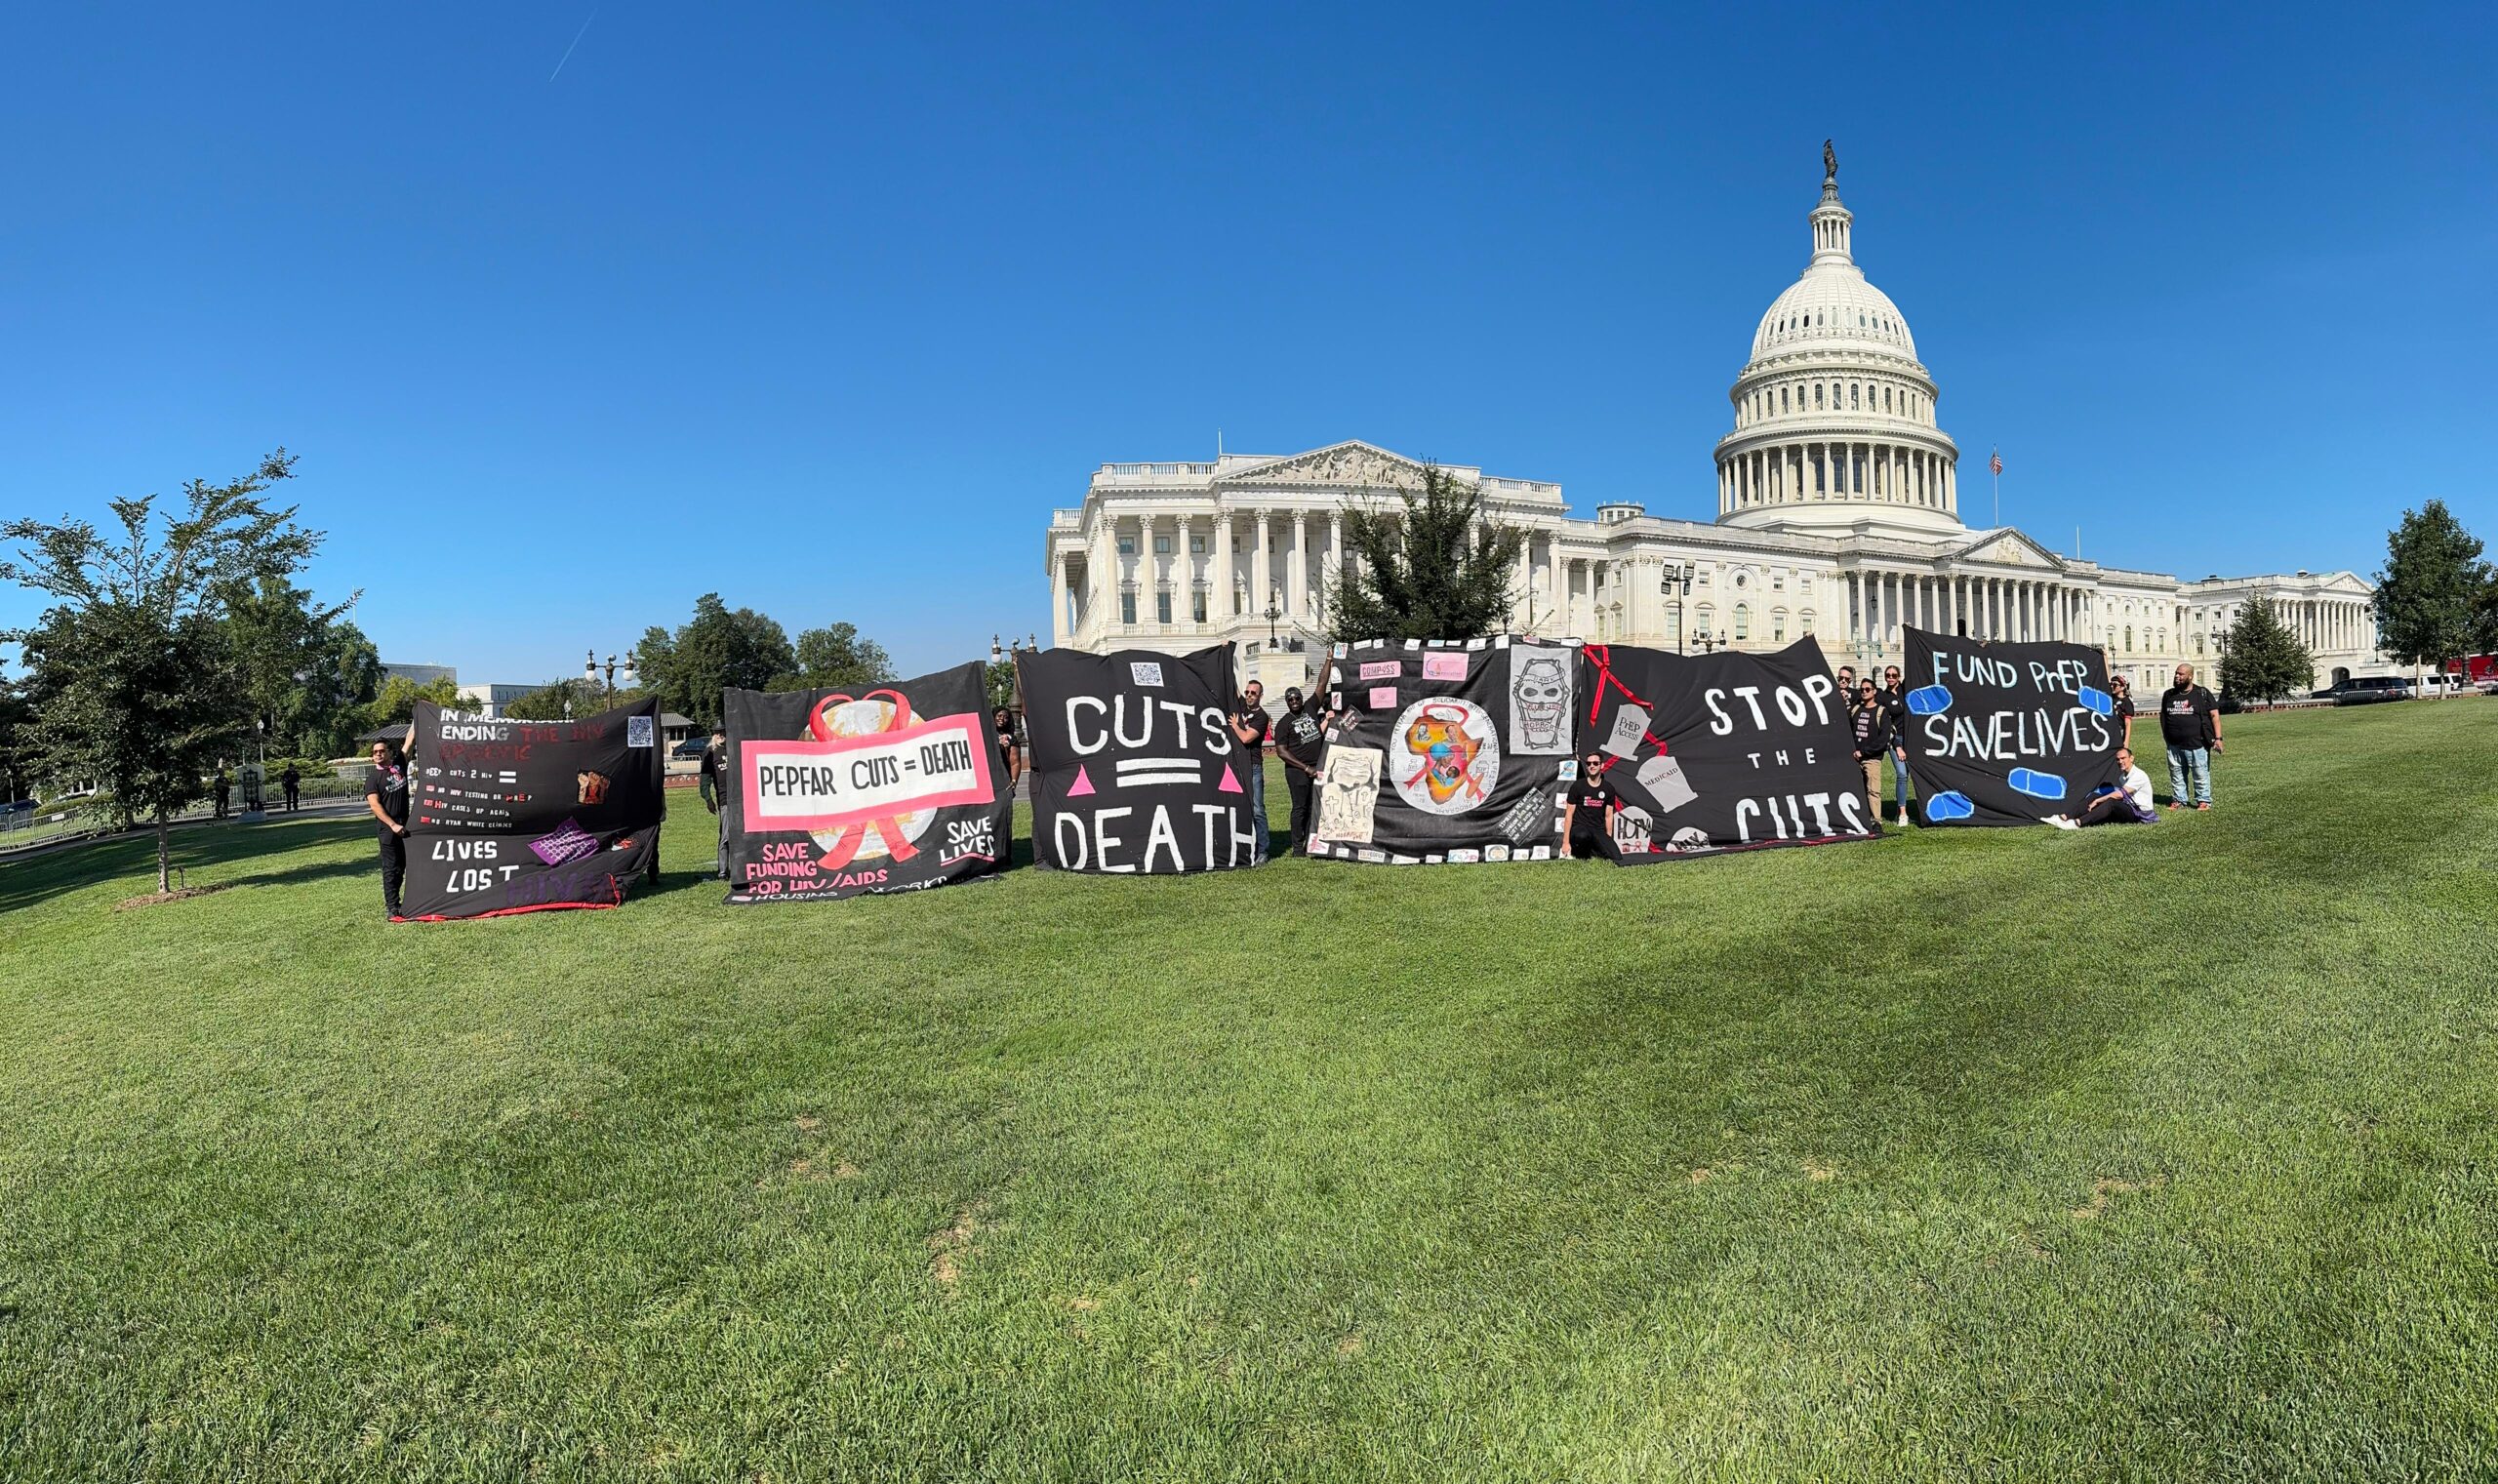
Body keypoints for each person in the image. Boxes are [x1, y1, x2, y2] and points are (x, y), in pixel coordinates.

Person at [2158, 663, 2223, 811]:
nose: (2177, 676)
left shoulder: (2202, 693)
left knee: (2200, 773)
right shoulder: (2169, 695)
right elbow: (2163, 716)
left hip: (2197, 743)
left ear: (2190, 676)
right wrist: (2166, 735)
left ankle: (2204, 801)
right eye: (2176, 673)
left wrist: (2218, 738)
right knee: (2176, 774)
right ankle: (2179, 799)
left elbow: (2214, 716)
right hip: (2174, 744)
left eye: (2181, 674)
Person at [1271, 688, 1326, 855]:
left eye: (1297, 698)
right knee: (1300, 808)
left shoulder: (1310, 708)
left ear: (1302, 699)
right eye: (1290, 699)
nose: (1294, 701)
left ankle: (1309, 843)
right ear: (1286, 702)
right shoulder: (1283, 723)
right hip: (1297, 771)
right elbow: (1281, 751)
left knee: (1312, 807)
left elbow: (1321, 684)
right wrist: (1305, 768)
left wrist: (1329, 660)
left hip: (1316, 768)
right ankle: (1297, 847)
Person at [2050, 746, 2158, 828]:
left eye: (2123, 758)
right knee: (2095, 795)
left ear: (2131, 758)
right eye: (2118, 759)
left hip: (2141, 814)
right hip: (2130, 808)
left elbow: (2119, 795)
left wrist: (2098, 801)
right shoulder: (2122, 777)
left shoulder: (2138, 775)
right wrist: (2096, 798)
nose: (2120, 762)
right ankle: (2063, 817)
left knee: (2110, 802)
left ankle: (2077, 823)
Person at [363, 741, 411, 920]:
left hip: (405, 825)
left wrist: (417, 714)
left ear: (389, 752)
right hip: (388, 829)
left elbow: (409, 741)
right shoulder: (372, 779)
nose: (378, 754)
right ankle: (392, 907)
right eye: (375, 752)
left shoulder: (399, 766)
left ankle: (403, 902)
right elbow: (375, 806)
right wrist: (392, 825)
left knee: (404, 866)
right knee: (391, 868)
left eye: (382, 751)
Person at [1229, 681, 1271, 860]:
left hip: (1253, 766)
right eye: (1247, 692)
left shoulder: (1261, 716)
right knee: (1239, 807)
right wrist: (1226, 655)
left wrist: (1235, 726)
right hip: (1238, 765)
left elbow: (1246, 738)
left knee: (1257, 809)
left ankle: (1263, 850)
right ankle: (1246, 845)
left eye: (1254, 693)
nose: (1249, 695)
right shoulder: (1241, 707)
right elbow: (1234, 687)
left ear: (1261, 695)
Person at [1850, 678, 1894, 822]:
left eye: (1867, 689)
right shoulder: (1855, 709)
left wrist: (1864, 752)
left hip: (1872, 758)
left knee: (1873, 790)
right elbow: (1848, 731)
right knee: (1857, 790)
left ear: (1874, 691)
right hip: (1855, 758)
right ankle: (1861, 818)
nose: (1864, 692)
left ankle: (1876, 820)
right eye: (1861, 690)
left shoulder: (1881, 712)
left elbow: (1883, 739)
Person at [1880, 664, 1915, 826]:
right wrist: (1897, 746)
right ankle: (1902, 813)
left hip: (1913, 738)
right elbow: (1886, 724)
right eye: (1888, 675)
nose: (1891, 678)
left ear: (1899, 676)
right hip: (1896, 740)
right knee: (1902, 774)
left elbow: (1915, 664)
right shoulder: (1883, 697)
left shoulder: (1905, 690)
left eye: (1894, 675)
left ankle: (1906, 809)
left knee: (1913, 774)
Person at [1564, 750, 1616, 859]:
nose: (1592, 766)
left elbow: (1609, 816)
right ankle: (1582, 856)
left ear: (1602, 765)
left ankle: (1595, 851)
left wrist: (1608, 839)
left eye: (1595, 763)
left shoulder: (1609, 788)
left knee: (1615, 856)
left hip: (1598, 829)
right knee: (1582, 836)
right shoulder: (1578, 786)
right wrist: (1565, 842)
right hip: (1580, 828)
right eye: (1589, 764)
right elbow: (1569, 815)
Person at [698, 727, 730, 877]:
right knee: (726, 835)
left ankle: (740, 868)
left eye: (722, 731)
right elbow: (704, 779)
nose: (720, 735)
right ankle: (723, 871)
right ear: (713, 734)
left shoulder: (734, 748)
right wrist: (708, 799)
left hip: (742, 800)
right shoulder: (710, 752)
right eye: (717, 732)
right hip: (725, 800)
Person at [992, 708, 1022, 790]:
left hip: (1004, 776)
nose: (1002, 719)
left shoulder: (1010, 738)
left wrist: (1014, 781)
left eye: (1006, 717)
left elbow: (1015, 762)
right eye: (999, 716)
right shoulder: (984, 734)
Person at [2107, 674, 2136, 751]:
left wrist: (2126, 741)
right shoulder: (2109, 698)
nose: (2112, 686)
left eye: (2115, 685)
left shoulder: (2127, 702)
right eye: (2111, 684)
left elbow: (2128, 723)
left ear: (2122, 687)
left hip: (2119, 731)